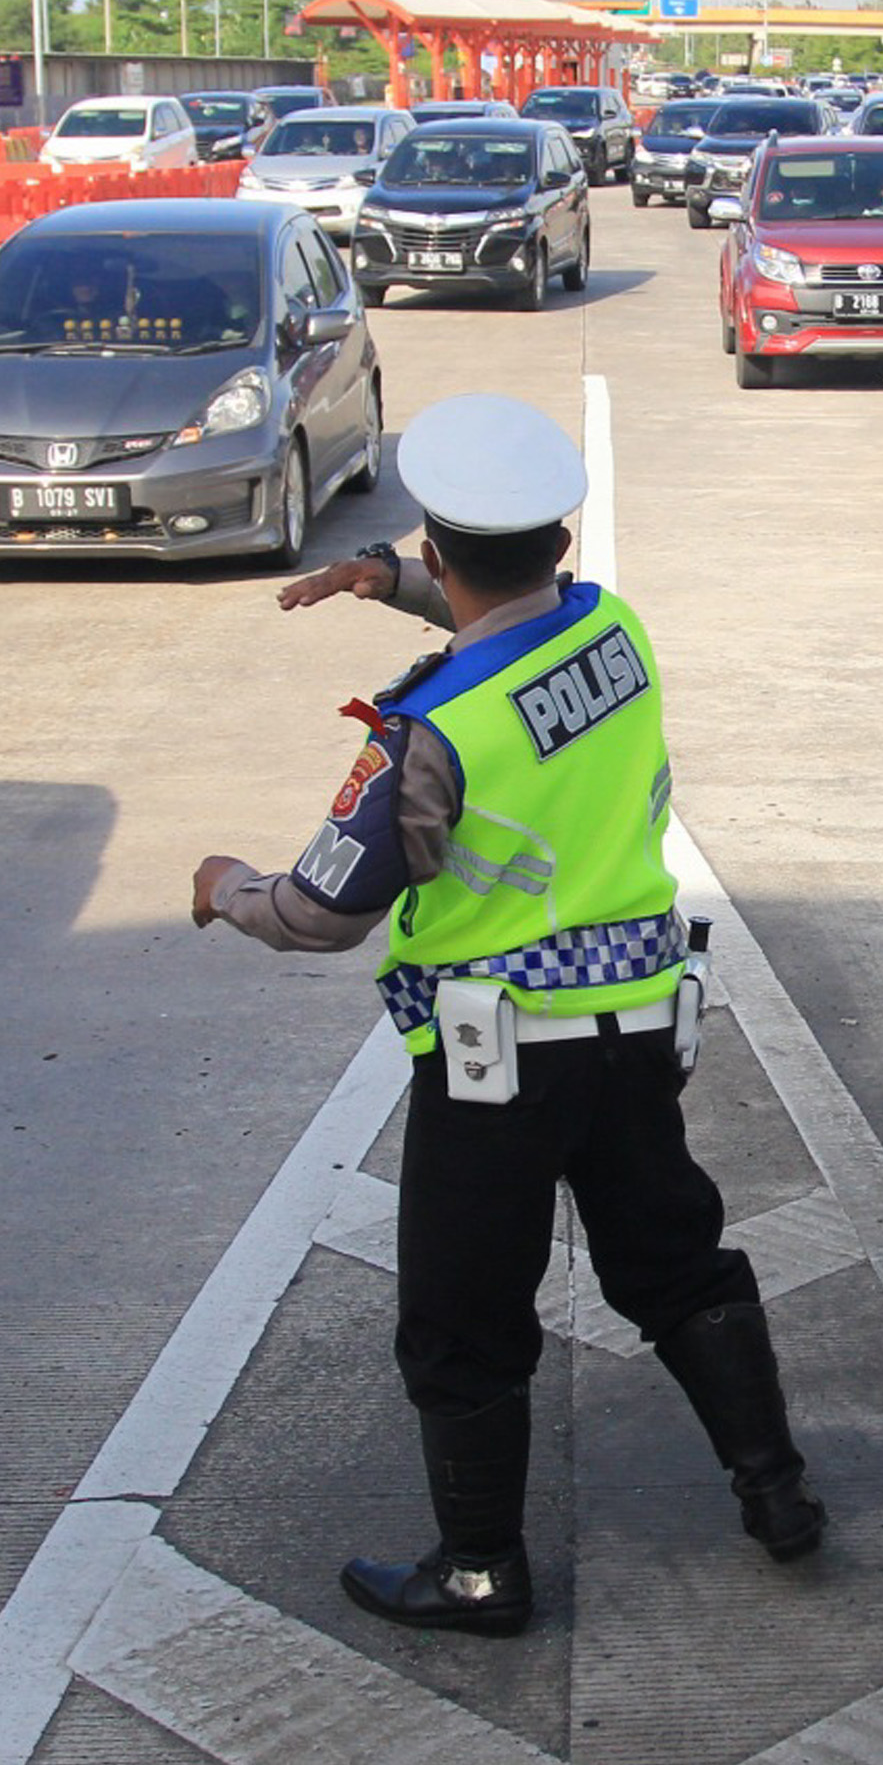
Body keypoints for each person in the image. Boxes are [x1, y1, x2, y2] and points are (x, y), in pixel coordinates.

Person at [191, 396, 824, 1637]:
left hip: (495, 1076)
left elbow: (324, 913)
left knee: (465, 1321)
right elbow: (513, 626)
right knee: (678, 1264)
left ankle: (480, 1572)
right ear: (560, 546)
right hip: (639, 1037)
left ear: (441, 552)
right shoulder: (615, 631)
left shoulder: (425, 738)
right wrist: (386, 582)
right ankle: (779, 1495)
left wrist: (225, 890)